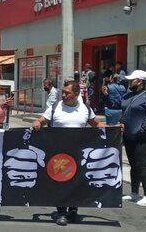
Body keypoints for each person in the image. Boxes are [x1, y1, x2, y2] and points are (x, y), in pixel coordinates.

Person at [31, 80, 107, 226]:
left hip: (78, 152)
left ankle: (73, 210)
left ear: (77, 94)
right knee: (60, 181)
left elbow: (96, 124)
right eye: (63, 92)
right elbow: (42, 121)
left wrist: (113, 128)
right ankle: (61, 212)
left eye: (67, 93)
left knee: (77, 181)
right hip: (59, 153)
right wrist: (37, 123)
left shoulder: (85, 108)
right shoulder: (55, 107)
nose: (64, 95)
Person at [120, 70, 146, 206]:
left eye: (133, 80)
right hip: (129, 136)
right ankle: (134, 193)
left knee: (142, 165)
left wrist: (141, 129)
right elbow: (124, 112)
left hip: (144, 137)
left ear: (140, 81)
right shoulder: (128, 95)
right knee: (133, 165)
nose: (130, 82)